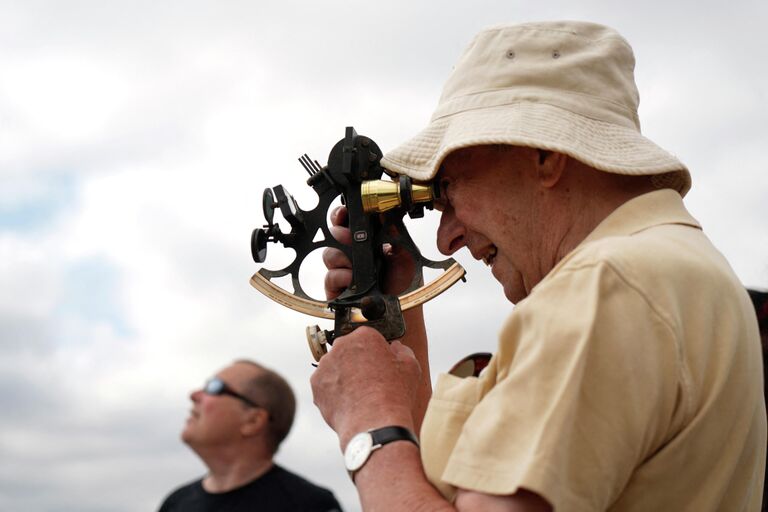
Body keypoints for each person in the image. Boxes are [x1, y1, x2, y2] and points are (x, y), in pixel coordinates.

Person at [311, 21, 766, 511]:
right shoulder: (673, 273)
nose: (447, 238)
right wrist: (396, 318)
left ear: (545, 155)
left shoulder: (606, 285)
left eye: (449, 190)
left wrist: (368, 426)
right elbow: (447, 486)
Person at [158, 359, 342, 512]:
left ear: (253, 421)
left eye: (214, 387)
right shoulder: (175, 504)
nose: (194, 395)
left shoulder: (311, 506)